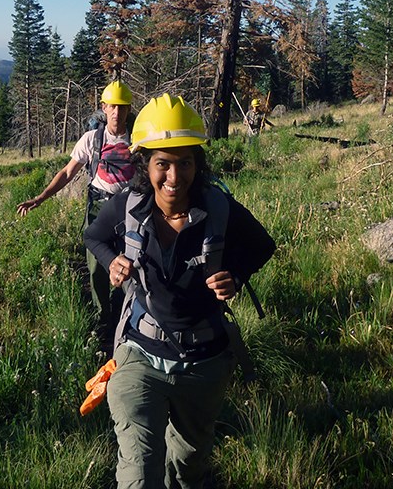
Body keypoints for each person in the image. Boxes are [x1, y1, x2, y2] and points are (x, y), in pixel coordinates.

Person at [84, 93, 276, 489]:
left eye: (185, 162)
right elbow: (94, 236)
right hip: (140, 353)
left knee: (188, 469)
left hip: (203, 363)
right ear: (145, 165)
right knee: (139, 472)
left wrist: (235, 276)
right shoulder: (126, 206)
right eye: (163, 164)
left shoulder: (219, 208)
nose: (174, 177)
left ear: (197, 163)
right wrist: (111, 261)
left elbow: (263, 245)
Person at [17, 80, 134, 350]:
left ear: (129, 109)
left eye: (122, 106)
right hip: (98, 209)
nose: (117, 112)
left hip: (129, 211)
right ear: (104, 108)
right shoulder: (92, 139)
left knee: (128, 266)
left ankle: (124, 321)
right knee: (96, 267)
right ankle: (103, 322)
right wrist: (41, 197)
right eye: (112, 106)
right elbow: (68, 172)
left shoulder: (138, 138)